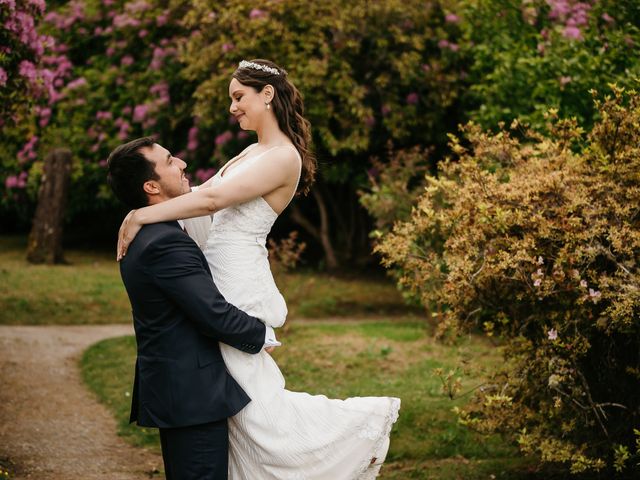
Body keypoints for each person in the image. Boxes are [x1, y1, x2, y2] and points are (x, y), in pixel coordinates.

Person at [116, 59, 400, 479]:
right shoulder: (252, 151)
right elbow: (201, 194)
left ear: (267, 94)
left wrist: (140, 216)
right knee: (234, 404)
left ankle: (347, 433)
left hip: (237, 278)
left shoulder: (283, 157)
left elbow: (212, 203)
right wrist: (147, 210)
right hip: (217, 270)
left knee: (259, 409)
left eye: (238, 96)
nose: (232, 107)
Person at [107, 136, 281, 480]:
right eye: (170, 161)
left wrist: (137, 213)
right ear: (151, 186)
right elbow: (213, 314)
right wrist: (263, 335)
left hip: (178, 390)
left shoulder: (152, 231)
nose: (183, 164)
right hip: (192, 395)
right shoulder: (165, 242)